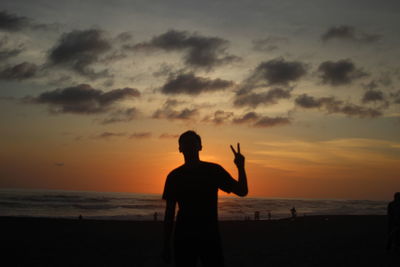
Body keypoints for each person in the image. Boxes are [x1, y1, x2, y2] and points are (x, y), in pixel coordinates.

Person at [162, 130, 248, 267]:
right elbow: (169, 212)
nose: (189, 146)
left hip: (209, 236)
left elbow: (242, 191)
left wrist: (241, 167)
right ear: (180, 149)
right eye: (186, 143)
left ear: (200, 147)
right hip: (184, 237)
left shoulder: (213, 170)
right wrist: (166, 244)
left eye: (192, 142)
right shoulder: (174, 176)